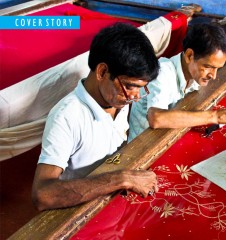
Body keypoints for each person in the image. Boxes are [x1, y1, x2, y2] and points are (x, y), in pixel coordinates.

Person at [32, 23, 160, 211]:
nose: (136, 97)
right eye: (130, 86)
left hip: (109, 197)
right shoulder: (67, 116)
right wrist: (120, 178)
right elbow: (42, 195)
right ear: (102, 72)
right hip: (77, 210)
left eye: (141, 88)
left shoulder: (117, 98)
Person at [128, 23, 226, 142]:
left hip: (167, 138)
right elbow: (156, 118)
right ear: (190, 56)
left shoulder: (193, 73)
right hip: (142, 148)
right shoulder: (163, 73)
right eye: (208, 66)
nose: (213, 75)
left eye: (218, 68)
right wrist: (215, 116)